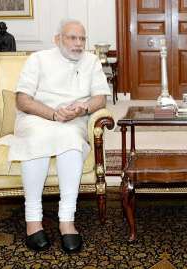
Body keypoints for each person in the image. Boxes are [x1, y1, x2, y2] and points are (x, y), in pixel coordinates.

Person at [9, 19, 111, 252]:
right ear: (57, 39)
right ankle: (33, 221)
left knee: (71, 142)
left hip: (72, 121)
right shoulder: (38, 59)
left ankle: (67, 221)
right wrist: (53, 114)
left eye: (82, 38)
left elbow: (101, 98)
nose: (78, 44)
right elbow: (22, 100)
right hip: (37, 118)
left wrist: (83, 108)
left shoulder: (92, 61)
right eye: (72, 38)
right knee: (37, 140)